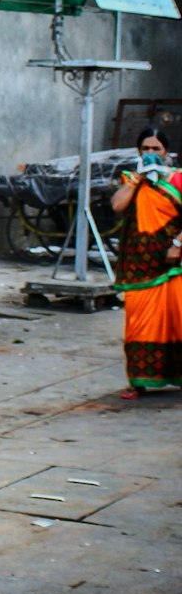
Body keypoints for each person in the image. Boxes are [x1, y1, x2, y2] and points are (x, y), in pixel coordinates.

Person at [110, 125, 182, 396]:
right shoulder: (130, 178)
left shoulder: (177, 179)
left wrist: (177, 245)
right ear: (138, 151)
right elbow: (118, 206)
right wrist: (136, 179)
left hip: (173, 262)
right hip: (139, 265)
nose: (151, 153)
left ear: (166, 152)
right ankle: (139, 382)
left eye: (156, 149)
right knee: (140, 324)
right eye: (146, 149)